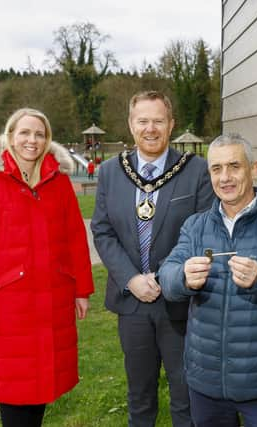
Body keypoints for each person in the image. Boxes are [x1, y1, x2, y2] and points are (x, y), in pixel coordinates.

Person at [160, 133, 257, 427]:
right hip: (205, 383)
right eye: (217, 169)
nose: (225, 178)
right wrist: (182, 277)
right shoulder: (195, 227)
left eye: (234, 166)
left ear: (254, 169)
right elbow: (167, 277)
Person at [0, 108, 94, 427]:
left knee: (43, 388)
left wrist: (82, 291)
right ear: (10, 137)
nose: (32, 140)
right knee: (15, 390)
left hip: (53, 301)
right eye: (25, 132)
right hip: (10, 308)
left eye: (39, 134)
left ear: (47, 141)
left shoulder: (59, 183)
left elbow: (75, 239)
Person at [91, 90, 214, 427]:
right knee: (140, 397)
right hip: (132, 304)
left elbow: (203, 231)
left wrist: (164, 278)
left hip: (181, 304)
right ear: (131, 125)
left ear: (171, 124)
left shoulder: (196, 171)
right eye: (142, 120)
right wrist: (132, 279)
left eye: (158, 120)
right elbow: (103, 232)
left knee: (186, 397)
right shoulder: (110, 172)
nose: (150, 128)